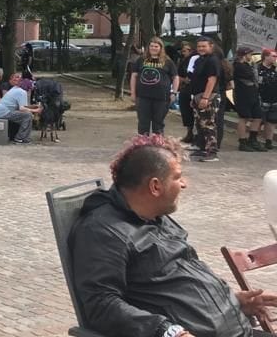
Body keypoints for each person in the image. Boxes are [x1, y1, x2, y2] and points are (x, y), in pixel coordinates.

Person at [71, 134, 277, 337]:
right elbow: (101, 304)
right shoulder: (104, 231)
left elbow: (181, 284)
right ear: (155, 186)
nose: (184, 184)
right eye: (177, 177)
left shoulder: (155, 217)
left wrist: (232, 301)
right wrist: (168, 331)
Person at [129, 36, 179, 135]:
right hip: (143, 96)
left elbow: (175, 77)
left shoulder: (167, 61)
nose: (153, 48)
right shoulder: (141, 60)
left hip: (162, 97)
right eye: (151, 46)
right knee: (143, 122)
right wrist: (133, 93)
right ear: (148, 47)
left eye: (156, 46)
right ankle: (143, 144)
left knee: (158, 123)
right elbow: (134, 76)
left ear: (160, 48)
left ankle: (157, 145)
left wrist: (174, 92)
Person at [188, 37, 221, 162]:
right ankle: (203, 148)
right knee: (200, 124)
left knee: (208, 124)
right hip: (197, 95)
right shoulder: (200, 60)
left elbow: (212, 80)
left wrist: (205, 97)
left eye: (204, 46)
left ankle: (212, 152)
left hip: (208, 96)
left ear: (211, 46)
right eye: (199, 46)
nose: (201, 49)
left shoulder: (213, 60)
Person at [0, 76, 42, 144]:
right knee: (28, 115)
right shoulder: (22, 92)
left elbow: (22, 106)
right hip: (4, 112)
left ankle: (25, 138)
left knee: (27, 115)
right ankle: (20, 138)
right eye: (30, 89)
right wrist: (35, 111)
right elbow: (22, 108)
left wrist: (34, 106)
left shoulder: (15, 88)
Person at [233, 47, 265, 152]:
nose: (251, 57)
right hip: (243, 95)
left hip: (253, 94)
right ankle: (242, 141)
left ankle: (253, 139)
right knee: (244, 117)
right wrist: (254, 68)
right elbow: (252, 76)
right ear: (244, 55)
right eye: (250, 54)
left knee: (258, 117)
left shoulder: (248, 65)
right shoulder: (238, 66)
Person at [177, 42, 196, 144]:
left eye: (186, 50)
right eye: (183, 51)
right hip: (185, 89)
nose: (183, 53)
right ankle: (189, 133)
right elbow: (177, 75)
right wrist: (184, 80)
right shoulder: (182, 62)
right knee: (186, 112)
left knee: (195, 113)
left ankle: (196, 135)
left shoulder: (197, 60)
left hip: (195, 89)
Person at [258, 49, 277, 151]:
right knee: (259, 120)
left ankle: (268, 141)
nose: (275, 58)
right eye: (273, 56)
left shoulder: (275, 69)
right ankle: (254, 139)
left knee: (272, 121)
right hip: (262, 98)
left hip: (274, 99)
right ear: (266, 56)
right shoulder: (259, 68)